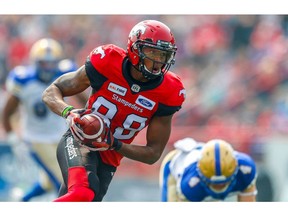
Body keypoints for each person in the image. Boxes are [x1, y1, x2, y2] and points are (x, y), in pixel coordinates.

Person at [42, 19, 186, 202]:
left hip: (110, 157)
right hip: (81, 139)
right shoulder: (107, 60)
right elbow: (51, 92)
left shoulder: (169, 91)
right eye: (152, 52)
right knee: (83, 193)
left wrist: (114, 144)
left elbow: (153, 154)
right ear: (135, 49)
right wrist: (68, 112)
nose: (158, 61)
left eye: (163, 55)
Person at [2, 38, 85, 201]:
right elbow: (7, 112)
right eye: (43, 63)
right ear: (35, 62)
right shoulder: (23, 80)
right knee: (66, 183)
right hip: (36, 139)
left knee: (49, 182)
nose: (47, 68)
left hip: (62, 136)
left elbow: (83, 97)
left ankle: (22, 200)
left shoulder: (64, 74)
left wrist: (91, 112)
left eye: (51, 63)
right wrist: (13, 138)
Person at [159, 138, 258, 202]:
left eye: (223, 183)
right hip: (173, 167)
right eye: (214, 184)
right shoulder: (190, 183)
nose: (219, 187)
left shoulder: (245, 170)